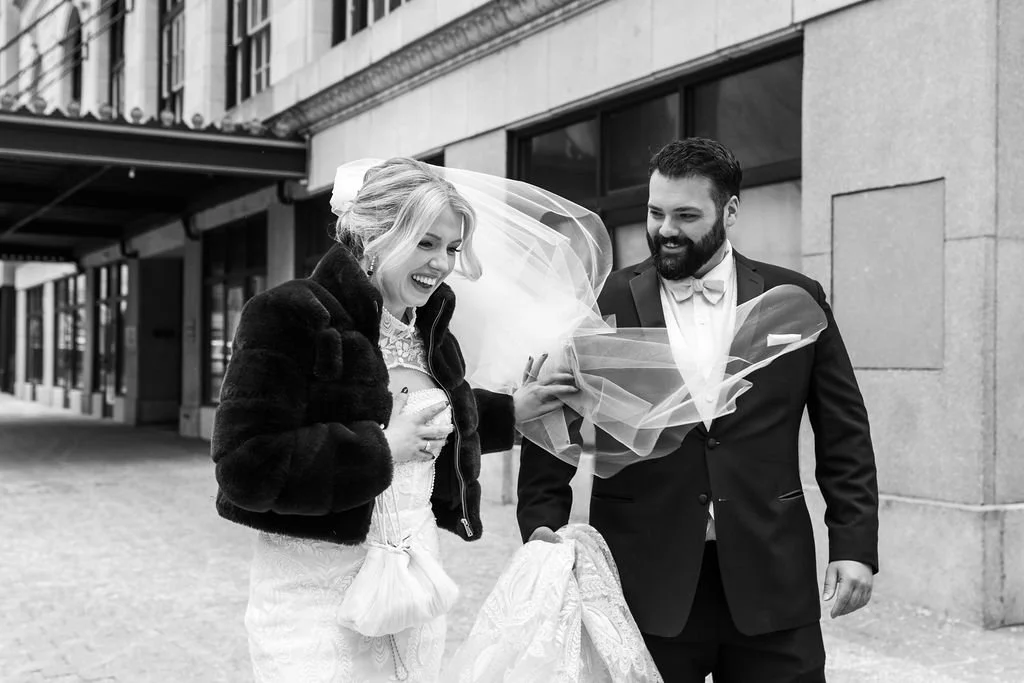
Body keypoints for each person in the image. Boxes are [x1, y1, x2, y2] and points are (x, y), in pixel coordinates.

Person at [517, 138, 880, 682]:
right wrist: (542, 533)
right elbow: (553, 424)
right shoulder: (602, 302)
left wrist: (854, 543)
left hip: (771, 581)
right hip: (642, 583)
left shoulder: (796, 297)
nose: (666, 229)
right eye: (656, 212)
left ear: (730, 210)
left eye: (687, 215)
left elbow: (843, 431)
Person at [211, 157, 576, 683]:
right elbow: (244, 467)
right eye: (425, 243)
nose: (442, 263)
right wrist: (379, 449)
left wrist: (513, 412)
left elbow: (440, 418)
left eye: (451, 248)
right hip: (316, 597)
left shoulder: (433, 333)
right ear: (376, 235)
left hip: (415, 585)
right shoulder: (289, 314)